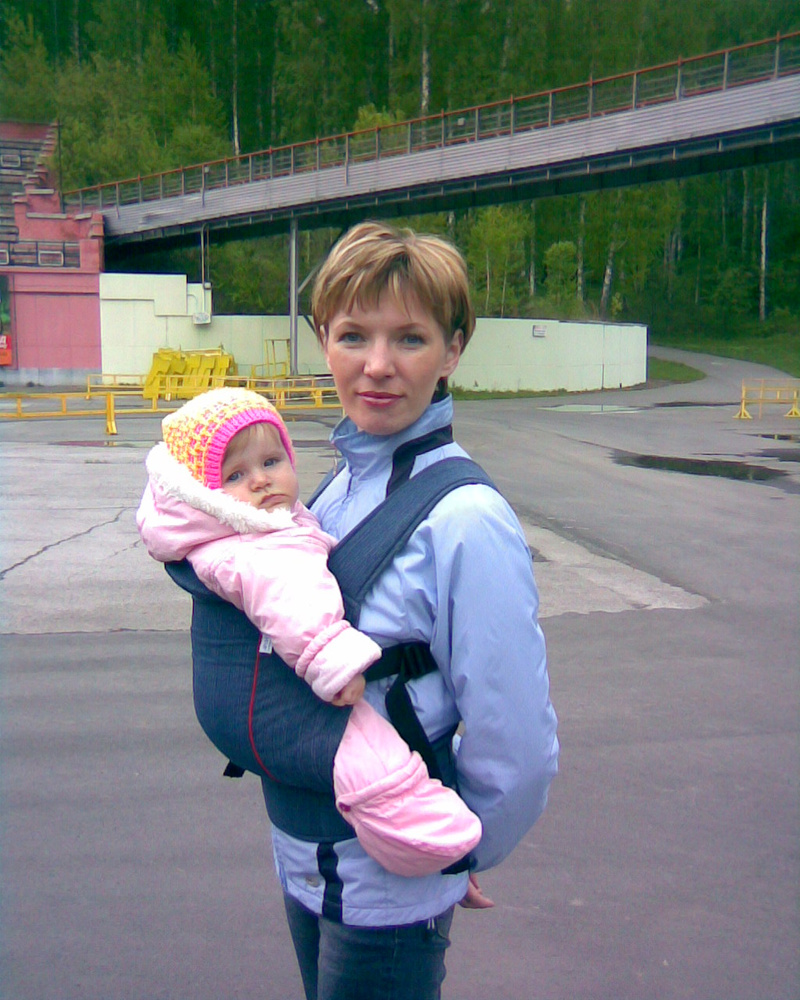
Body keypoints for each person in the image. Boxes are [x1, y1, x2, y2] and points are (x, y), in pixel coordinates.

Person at [270, 220, 559, 1000]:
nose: (377, 366)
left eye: (410, 338)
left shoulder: (465, 519)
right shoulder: (335, 488)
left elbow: (517, 742)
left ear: (452, 350)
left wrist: (457, 849)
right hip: (302, 857)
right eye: (352, 335)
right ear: (323, 340)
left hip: (387, 891)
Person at [136, 387, 483, 878]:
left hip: (263, 731)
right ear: (204, 495)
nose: (261, 480)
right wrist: (334, 662)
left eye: (271, 461)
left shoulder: (251, 525)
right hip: (303, 694)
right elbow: (295, 604)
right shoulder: (254, 552)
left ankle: (427, 831)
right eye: (235, 475)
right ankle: (429, 837)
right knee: (369, 758)